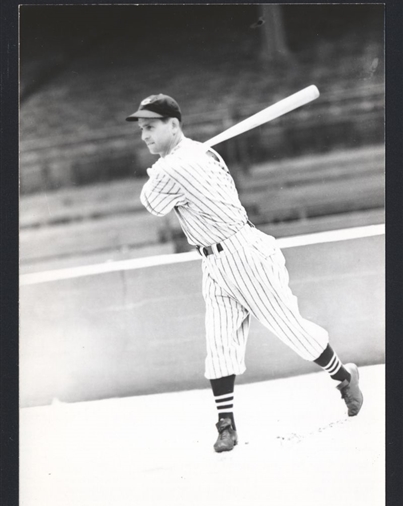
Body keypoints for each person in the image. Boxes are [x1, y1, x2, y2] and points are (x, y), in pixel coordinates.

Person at [126, 94, 364, 453]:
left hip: (244, 254)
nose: (144, 135)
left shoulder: (174, 167)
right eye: (141, 128)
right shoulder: (196, 154)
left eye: (151, 126)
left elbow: (152, 204)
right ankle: (226, 426)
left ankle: (344, 378)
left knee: (294, 331)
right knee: (219, 345)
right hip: (213, 260)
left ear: (173, 125)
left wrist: (161, 168)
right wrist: (168, 160)